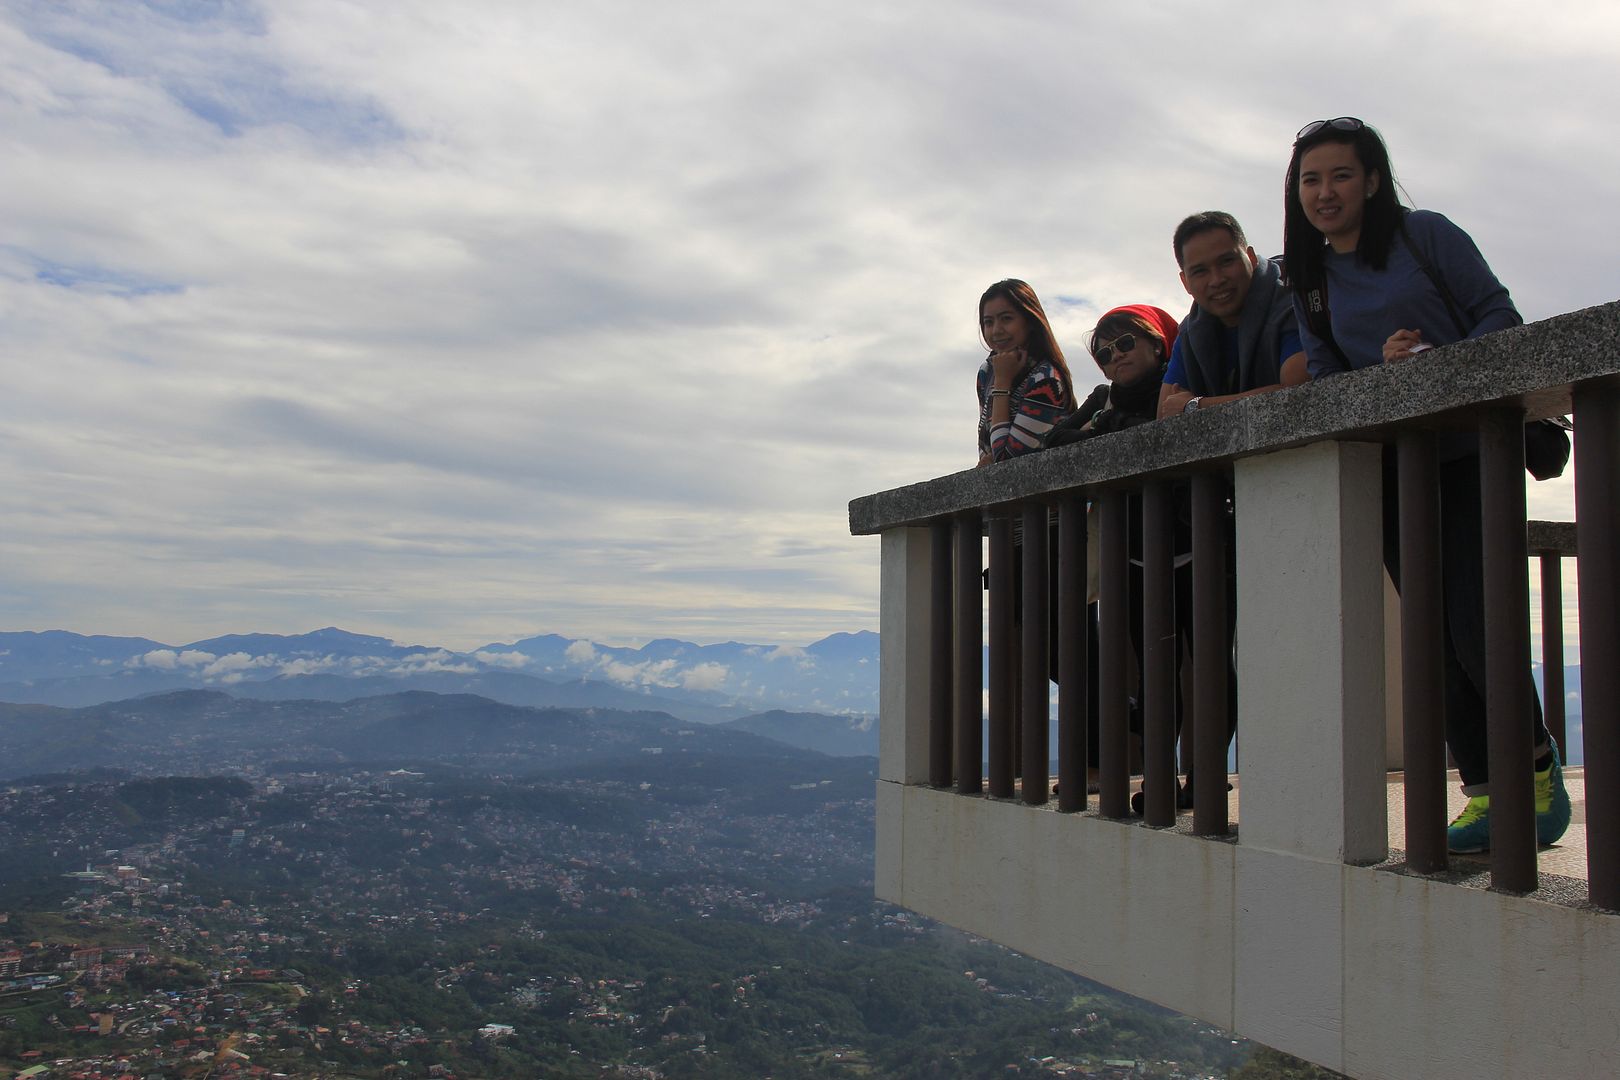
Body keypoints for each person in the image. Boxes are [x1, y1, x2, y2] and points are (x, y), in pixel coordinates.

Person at [1281, 116, 1571, 853]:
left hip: (1474, 452)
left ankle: (1536, 780)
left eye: (1341, 175)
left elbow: (1499, 316)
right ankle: (1482, 790)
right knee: (1435, 640)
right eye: (1311, 180)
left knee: (1480, 624)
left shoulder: (1425, 236)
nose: (1325, 192)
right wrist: (1383, 371)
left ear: (1373, 180)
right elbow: (1327, 377)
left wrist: (1435, 361)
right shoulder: (1308, 278)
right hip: (1397, 470)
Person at [1157, 211, 1309, 418]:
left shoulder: (1291, 304)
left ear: (1252, 258)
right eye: (1200, 271)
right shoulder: (1189, 334)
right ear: (1185, 282)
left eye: (1227, 261)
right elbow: (1167, 412)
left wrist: (1196, 406)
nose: (1217, 280)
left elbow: (1299, 393)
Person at [976, 280, 1076, 465]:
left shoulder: (1046, 381)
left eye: (1006, 318)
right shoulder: (987, 371)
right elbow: (987, 443)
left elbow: (1006, 461)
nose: (996, 330)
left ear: (1030, 321)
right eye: (988, 322)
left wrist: (1002, 383)